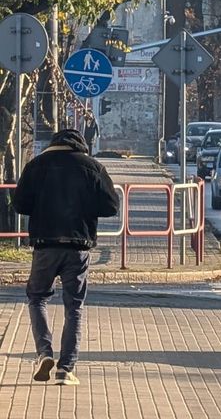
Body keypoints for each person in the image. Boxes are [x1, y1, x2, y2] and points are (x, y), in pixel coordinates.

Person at [13, 129, 119, 386]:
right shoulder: (92, 166)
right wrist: (86, 205)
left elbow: (19, 204)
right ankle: (66, 369)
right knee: (74, 306)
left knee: (37, 298)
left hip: (44, 244)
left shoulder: (37, 165)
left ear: (54, 144)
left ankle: (44, 353)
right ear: (81, 145)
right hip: (78, 246)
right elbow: (111, 206)